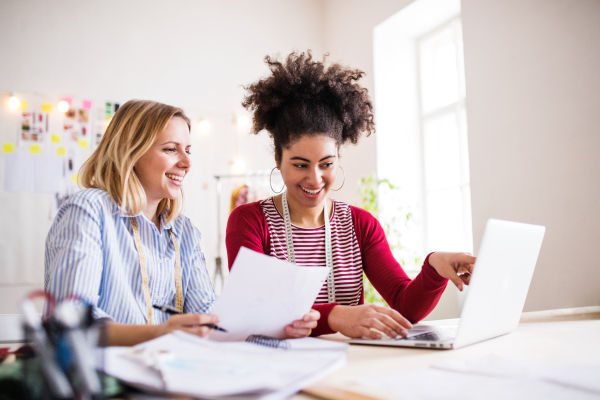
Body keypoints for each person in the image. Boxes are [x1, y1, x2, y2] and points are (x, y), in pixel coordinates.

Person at [226, 51, 475, 339]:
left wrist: (434, 269)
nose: (315, 178)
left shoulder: (360, 225)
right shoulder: (249, 221)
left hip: (346, 363)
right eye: (300, 165)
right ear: (278, 159)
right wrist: (334, 316)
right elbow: (255, 312)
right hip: (278, 367)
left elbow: (405, 307)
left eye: (327, 164)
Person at [45, 100, 317, 345]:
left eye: (187, 150)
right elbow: (69, 325)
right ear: (131, 153)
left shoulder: (183, 231)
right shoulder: (88, 210)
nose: (187, 162)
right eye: (171, 149)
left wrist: (274, 327)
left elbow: (209, 314)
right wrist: (161, 332)